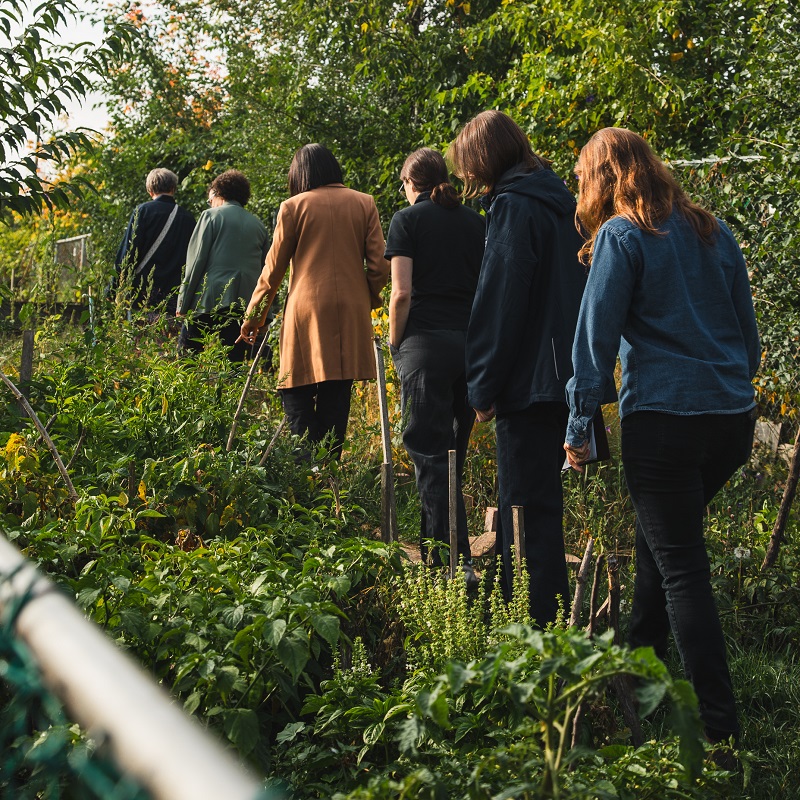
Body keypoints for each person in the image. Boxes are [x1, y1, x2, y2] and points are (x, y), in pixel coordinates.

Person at [563, 128, 760, 745]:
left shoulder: (622, 235)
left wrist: (578, 426)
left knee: (681, 570)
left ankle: (719, 730)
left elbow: (593, 341)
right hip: (730, 420)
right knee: (661, 550)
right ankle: (638, 687)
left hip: (665, 421)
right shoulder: (713, 230)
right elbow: (748, 345)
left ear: (600, 178)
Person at [448, 110, 592, 627]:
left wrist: (481, 386)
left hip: (529, 384)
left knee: (522, 515)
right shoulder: (562, 203)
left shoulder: (513, 208)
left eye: (467, 164)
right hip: (564, 377)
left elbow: (500, 301)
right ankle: (550, 627)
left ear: (483, 160)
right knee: (543, 513)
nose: (466, 176)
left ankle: (531, 636)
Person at [238, 144, 388, 458]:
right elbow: (379, 266)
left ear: (300, 175)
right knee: (336, 399)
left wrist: (254, 317)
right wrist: (368, 300)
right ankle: (328, 479)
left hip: (304, 316)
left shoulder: (293, 207)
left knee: (296, 394)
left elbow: (273, 269)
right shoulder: (364, 203)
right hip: (350, 315)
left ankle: (307, 479)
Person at [385, 147, 485, 579]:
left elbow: (401, 293)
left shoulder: (406, 220)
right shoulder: (475, 222)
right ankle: (447, 555)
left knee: (428, 453)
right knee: (451, 455)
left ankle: (448, 563)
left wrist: (393, 342)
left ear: (410, 183)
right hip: (470, 346)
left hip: (424, 345)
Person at [176, 170, 270, 362]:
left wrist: (183, 303)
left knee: (187, 358)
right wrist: (263, 314)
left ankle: (189, 393)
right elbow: (267, 271)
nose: (209, 203)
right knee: (233, 363)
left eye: (210, 198)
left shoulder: (210, 216)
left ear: (219, 194)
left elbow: (195, 263)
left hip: (208, 299)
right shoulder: (259, 226)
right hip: (244, 304)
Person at [115, 168, 196, 315]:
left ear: (150, 190)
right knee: (171, 335)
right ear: (173, 188)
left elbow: (128, 252)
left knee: (143, 334)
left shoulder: (143, 211)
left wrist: (114, 287)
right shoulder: (188, 218)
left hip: (144, 291)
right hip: (175, 294)